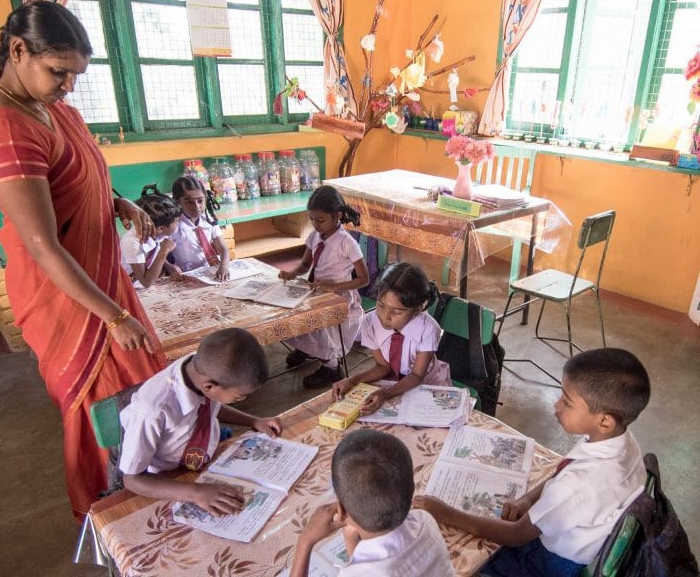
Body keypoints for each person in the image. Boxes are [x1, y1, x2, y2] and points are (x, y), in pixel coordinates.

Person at [0, 0, 166, 521]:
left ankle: (158, 489)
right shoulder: (6, 128)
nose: (68, 86)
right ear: (18, 51)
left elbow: (78, 178)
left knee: (144, 387)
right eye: (59, 72)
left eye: (76, 74)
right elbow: (42, 245)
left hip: (99, 282)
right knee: (108, 404)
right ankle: (121, 514)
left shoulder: (55, 109)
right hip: (70, 299)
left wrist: (117, 200)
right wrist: (114, 316)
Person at [414, 348, 652, 577]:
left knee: (444, 550)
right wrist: (528, 498)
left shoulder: (581, 485)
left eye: (567, 402)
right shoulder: (621, 440)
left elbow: (517, 535)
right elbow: (567, 466)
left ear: (605, 421)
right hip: (576, 539)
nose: (556, 405)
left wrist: (444, 512)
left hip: (549, 563)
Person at [118, 328, 282, 515]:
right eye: (239, 397)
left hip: (202, 460)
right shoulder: (151, 411)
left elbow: (210, 405)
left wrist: (254, 421)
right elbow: (132, 479)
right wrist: (195, 493)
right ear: (209, 386)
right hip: (164, 479)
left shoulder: (200, 368)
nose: (242, 400)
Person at [290, 429, 454, 577]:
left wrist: (305, 540)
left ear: (340, 511)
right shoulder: (425, 522)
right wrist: (351, 539)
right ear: (412, 489)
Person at [278, 185, 369, 388]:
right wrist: (292, 273)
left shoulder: (347, 243)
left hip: (339, 298)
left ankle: (332, 368)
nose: (315, 224)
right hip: (316, 291)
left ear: (337, 216)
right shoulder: (314, 236)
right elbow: (304, 265)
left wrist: (335, 287)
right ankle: (309, 349)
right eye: (311, 219)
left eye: (320, 220)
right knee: (295, 318)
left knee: (321, 327)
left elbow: (364, 279)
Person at [331, 263, 451, 414]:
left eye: (397, 311)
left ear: (417, 309)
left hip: (428, 384)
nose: (385, 316)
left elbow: (416, 375)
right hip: (394, 382)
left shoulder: (428, 328)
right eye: (381, 305)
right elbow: (383, 366)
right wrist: (352, 380)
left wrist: (385, 394)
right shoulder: (369, 322)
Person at [170, 175, 231, 281]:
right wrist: (170, 268)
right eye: (189, 202)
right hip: (185, 274)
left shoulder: (209, 219)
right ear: (178, 202)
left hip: (210, 270)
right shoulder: (173, 226)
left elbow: (223, 248)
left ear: (205, 199)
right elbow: (160, 254)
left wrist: (224, 266)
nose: (196, 206)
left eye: (200, 201)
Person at [119, 185, 182, 288]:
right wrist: (164, 251)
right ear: (161, 228)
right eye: (176, 221)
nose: (178, 224)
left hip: (138, 284)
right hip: (124, 287)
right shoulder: (133, 242)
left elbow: (153, 253)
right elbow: (146, 282)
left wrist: (169, 266)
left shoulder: (158, 234)